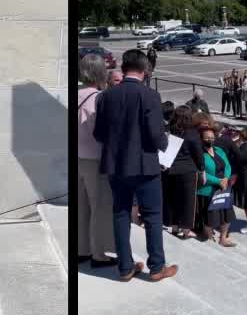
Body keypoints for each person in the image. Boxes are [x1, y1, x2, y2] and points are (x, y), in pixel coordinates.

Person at [92, 49, 177, 282]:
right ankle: (157, 267)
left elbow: (98, 134)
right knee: (152, 215)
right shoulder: (149, 95)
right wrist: (166, 142)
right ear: (144, 70)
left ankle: (125, 267)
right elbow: (156, 134)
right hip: (144, 165)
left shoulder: (107, 96)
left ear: (123, 67)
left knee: (120, 214)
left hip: (115, 166)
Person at [77, 55, 116, 266]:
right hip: (95, 159)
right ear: (101, 73)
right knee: (98, 207)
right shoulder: (100, 98)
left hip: (77, 157)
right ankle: (98, 254)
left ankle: (81, 249)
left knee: (81, 206)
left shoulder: (76, 94)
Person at [162, 105, 201, 240]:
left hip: (169, 169)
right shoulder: (192, 133)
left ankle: (174, 226)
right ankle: (186, 229)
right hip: (187, 170)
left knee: (171, 199)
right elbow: (198, 154)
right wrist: (201, 169)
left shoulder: (167, 130)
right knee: (188, 201)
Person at [194, 124, 237, 246]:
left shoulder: (219, 150)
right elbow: (201, 173)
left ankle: (223, 238)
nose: (210, 140)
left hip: (223, 187)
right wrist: (218, 181)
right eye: (207, 138)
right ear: (201, 138)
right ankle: (209, 237)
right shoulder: (199, 154)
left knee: (226, 214)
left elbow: (227, 165)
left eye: (212, 137)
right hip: (208, 189)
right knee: (210, 217)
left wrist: (225, 179)